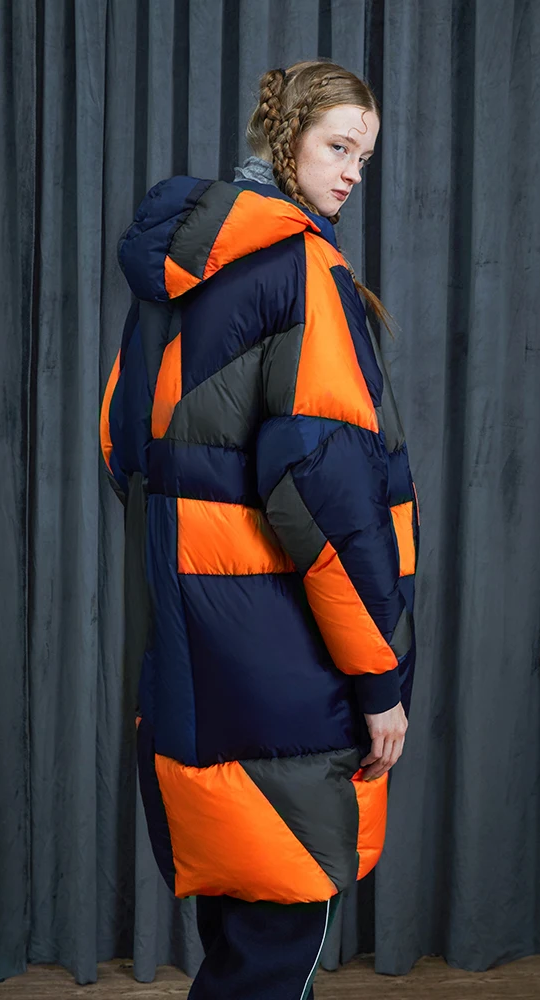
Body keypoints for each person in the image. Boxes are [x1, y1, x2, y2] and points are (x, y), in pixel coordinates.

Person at [100, 59, 419, 1000]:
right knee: (277, 951)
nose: (352, 172)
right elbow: (329, 497)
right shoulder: (299, 269)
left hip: (190, 659)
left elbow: (123, 443)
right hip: (287, 661)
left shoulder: (176, 273)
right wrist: (379, 679)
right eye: (338, 147)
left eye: (364, 156)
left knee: (243, 941)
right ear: (287, 141)